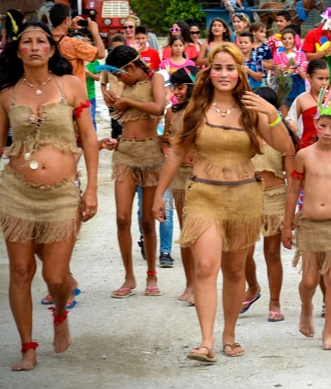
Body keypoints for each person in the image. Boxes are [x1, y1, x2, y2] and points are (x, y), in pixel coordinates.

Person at [152, 42, 291, 362]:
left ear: (240, 71)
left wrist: (271, 114)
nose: (224, 73)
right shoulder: (197, 110)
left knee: (233, 270)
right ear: (209, 72)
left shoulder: (253, 108)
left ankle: (229, 336)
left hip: (244, 197)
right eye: (218, 67)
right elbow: (176, 152)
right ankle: (206, 341)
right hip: (204, 196)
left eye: (231, 68)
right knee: (205, 267)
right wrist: (159, 194)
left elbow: (284, 146)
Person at [0, 21, 99, 371]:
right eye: (27, 41)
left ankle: (60, 312)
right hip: (15, 193)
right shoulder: (7, 94)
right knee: (22, 271)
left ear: (51, 49)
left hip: (61, 194)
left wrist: (91, 189)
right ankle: (28, 347)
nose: (35, 46)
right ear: (18, 50)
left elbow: (87, 138)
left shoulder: (71, 85)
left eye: (42, 41)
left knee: (56, 276)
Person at [284, 87, 331, 350]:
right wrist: (287, 224)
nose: (328, 132)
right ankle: (306, 307)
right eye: (323, 126)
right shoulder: (304, 156)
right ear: (314, 123)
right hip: (310, 225)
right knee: (310, 280)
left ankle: (329, 332)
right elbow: (293, 190)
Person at [101, 45, 166, 298]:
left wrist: (127, 101)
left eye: (120, 74)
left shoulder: (156, 79)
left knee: (147, 220)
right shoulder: (123, 88)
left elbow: (160, 108)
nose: (119, 80)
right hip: (125, 152)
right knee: (121, 218)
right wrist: (114, 103)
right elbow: (120, 118)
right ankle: (129, 276)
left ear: (131, 66)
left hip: (151, 153)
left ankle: (151, 273)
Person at [244, 87, 297, 322]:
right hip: (246, 197)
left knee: (272, 252)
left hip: (275, 195)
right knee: (242, 251)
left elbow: (292, 178)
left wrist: (290, 215)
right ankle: (253, 286)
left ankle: (274, 301)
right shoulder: (242, 134)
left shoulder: (282, 136)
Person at [162, 66, 200, 304]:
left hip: (199, 175)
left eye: (180, 86)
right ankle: (190, 283)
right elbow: (165, 137)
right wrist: (168, 146)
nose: (176, 91)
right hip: (178, 176)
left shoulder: (202, 111)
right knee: (185, 232)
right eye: (174, 86)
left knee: (196, 231)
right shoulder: (171, 113)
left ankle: (200, 283)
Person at [48, 3, 105, 82]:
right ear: (67, 20)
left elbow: (59, 37)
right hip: (75, 91)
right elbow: (101, 54)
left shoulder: (46, 40)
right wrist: (95, 32)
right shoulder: (74, 44)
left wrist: (69, 29)